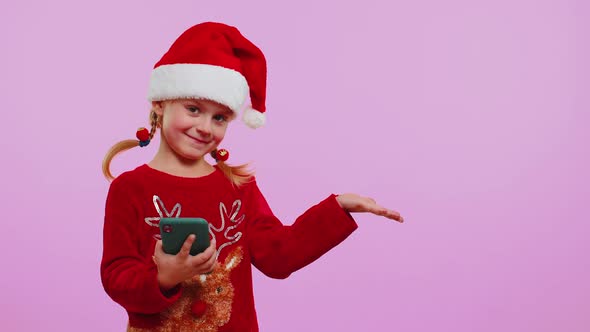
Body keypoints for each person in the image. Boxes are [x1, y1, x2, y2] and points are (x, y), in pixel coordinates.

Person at [100, 21, 404, 332]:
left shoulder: (237, 187)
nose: (206, 127)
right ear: (160, 104)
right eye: (193, 109)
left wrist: (337, 207)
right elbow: (116, 276)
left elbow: (279, 256)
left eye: (219, 117)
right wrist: (165, 276)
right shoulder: (130, 188)